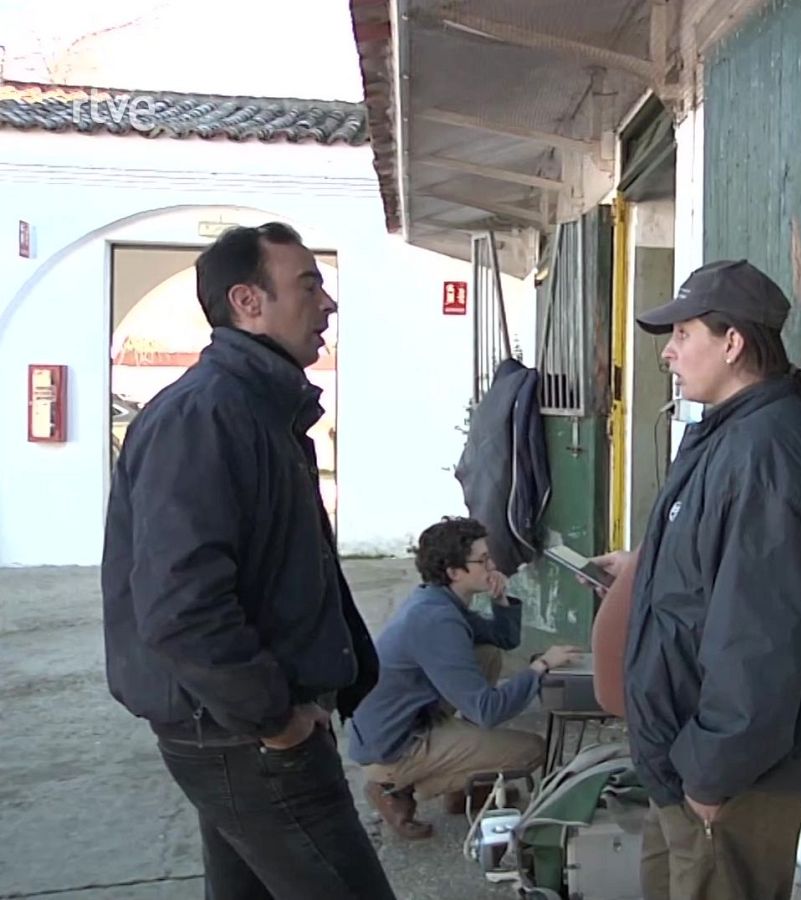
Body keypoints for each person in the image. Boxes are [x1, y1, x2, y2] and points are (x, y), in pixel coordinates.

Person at [101, 222, 394, 899]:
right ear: (248, 302)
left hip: (237, 730)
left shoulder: (262, 410)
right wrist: (276, 719)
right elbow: (181, 606)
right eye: (309, 286)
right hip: (242, 736)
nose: (328, 305)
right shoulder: (206, 415)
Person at [599, 259, 801, 900]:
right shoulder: (729, 434)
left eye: (683, 335)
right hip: (686, 762)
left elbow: (760, 637)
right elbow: (717, 575)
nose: (670, 355)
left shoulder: (761, 451)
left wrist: (713, 774)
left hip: (727, 777)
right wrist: (645, 566)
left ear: (733, 343)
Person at [348, 516, 581, 838]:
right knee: (531, 750)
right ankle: (393, 786)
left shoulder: (439, 600)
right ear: (454, 572)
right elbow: (488, 710)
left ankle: (462, 787)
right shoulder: (437, 620)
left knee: (486, 654)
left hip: (408, 719)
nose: (493, 565)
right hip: (394, 746)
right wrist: (540, 667)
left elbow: (503, 640)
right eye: (483, 560)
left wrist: (500, 599)